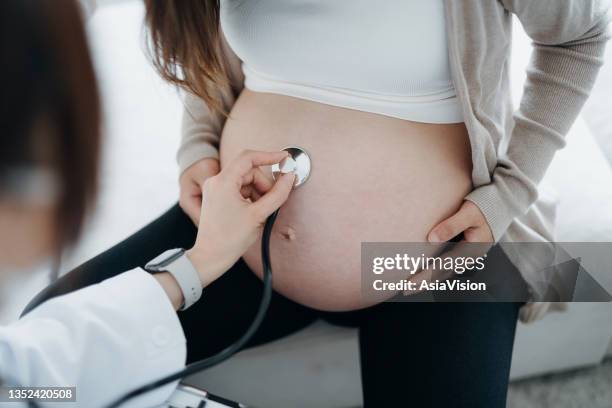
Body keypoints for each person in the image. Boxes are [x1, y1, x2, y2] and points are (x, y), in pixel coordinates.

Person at [28, 0, 611, 407]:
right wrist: (198, 146)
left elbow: (580, 37)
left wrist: (509, 192)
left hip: (438, 262)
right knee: (41, 372)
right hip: (236, 243)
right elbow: (204, 38)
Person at [0, 1, 296, 406]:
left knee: (403, 282)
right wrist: (199, 145)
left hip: (399, 266)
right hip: (246, 257)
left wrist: (197, 263)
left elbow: (34, 386)